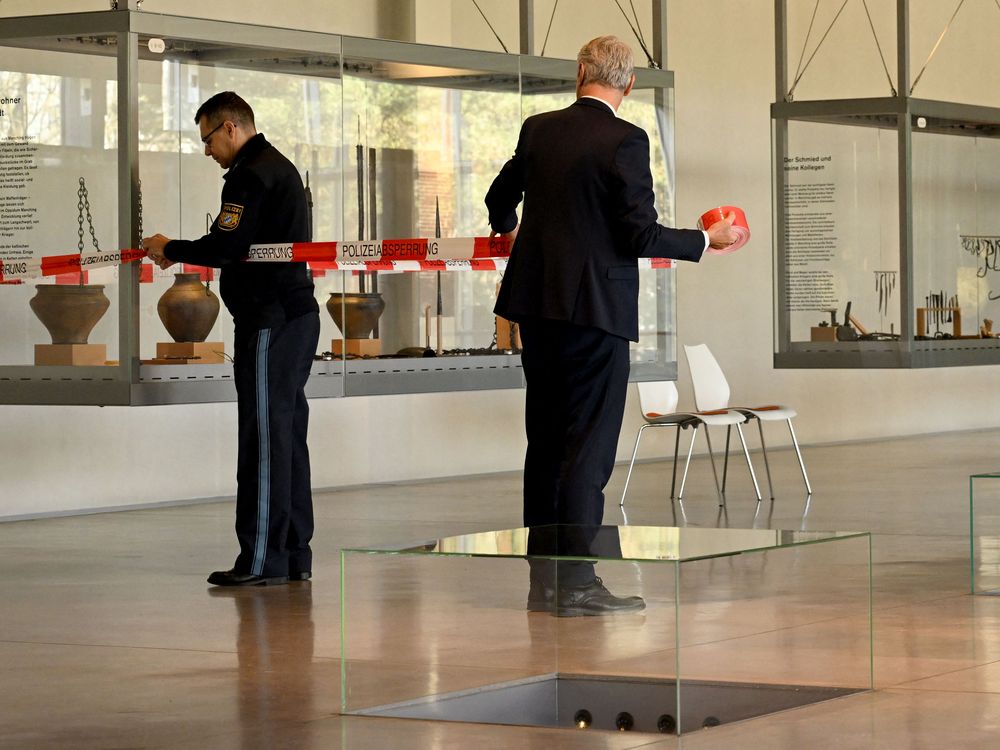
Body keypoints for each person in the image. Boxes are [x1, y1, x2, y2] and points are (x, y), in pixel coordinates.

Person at [486, 36, 738, 615]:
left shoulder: (538, 129)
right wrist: (707, 239)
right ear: (627, 86)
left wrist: (509, 227)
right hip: (596, 313)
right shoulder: (626, 139)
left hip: (537, 310)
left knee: (546, 444)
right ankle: (577, 584)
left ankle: (544, 581)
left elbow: (500, 195)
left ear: (580, 74)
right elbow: (640, 235)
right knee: (587, 450)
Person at [143, 91, 320, 587]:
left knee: (263, 438)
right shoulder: (278, 167)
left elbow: (226, 245)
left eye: (207, 140)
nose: (207, 152)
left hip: (270, 321)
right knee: (286, 437)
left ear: (230, 128)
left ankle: (260, 558)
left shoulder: (250, 174)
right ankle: (293, 554)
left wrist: (169, 248)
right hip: (293, 316)